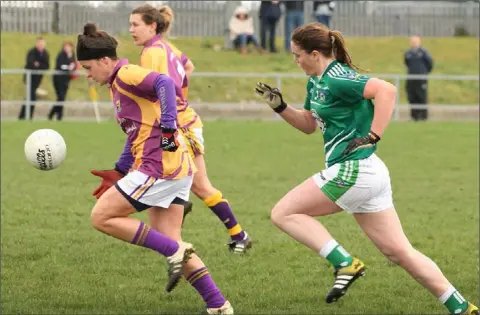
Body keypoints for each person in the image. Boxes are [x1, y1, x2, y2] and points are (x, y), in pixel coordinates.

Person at [254, 22, 478, 315]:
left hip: (354, 169)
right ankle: (461, 307)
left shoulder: (337, 78)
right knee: (399, 252)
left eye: (298, 55)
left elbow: (386, 90)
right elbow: (309, 125)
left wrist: (374, 134)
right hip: (367, 173)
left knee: (284, 212)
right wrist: (281, 107)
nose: (295, 60)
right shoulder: (316, 81)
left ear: (315, 53)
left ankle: (345, 263)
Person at [77, 22, 233, 314]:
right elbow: (136, 131)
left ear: (104, 61)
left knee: (101, 216)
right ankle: (218, 305)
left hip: (160, 166)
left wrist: (169, 128)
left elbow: (165, 83)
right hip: (173, 166)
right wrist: (119, 170)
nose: (87, 75)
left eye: (88, 67)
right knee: (172, 239)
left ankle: (173, 251)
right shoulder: (116, 84)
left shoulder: (125, 74)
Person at [89, 4, 252, 254]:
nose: (131, 30)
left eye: (136, 25)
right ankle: (199, 233)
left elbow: (159, 87)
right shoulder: (168, 46)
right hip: (185, 121)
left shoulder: (151, 52)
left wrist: (169, 115)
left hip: (179, 125)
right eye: (130, 24)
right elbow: (188, 67)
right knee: (187, 181)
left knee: (190, 182)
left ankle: (231, 235)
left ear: (152, 25)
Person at [19, 36, 50, 120]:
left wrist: (38, 64)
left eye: (42, 43)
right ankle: (28, 116)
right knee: (31, 97)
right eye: (39, 43)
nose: (41, 45)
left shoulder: (45, 53)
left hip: (37, 79)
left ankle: (22, 116)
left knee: (29, 97)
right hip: (29, 78)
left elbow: (46, 66)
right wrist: (38, 65)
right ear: (36, 43)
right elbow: (30, 63)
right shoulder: (31, 52)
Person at [404, 34, 433, 121]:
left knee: (421, 97)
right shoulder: (408, 53)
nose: (414, 42)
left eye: (415, 41)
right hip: (411, 79)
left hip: (421, 79)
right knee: (412, 97)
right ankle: (414, 117)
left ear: (419, 41)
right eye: (412, 41)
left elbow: (430, 64)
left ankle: (423, 117)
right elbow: (407, 63)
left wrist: (423, 73)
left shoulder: (424, 53)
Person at [48, 40, 76, 121]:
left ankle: (56, 115)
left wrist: (72, 67)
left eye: (69, 47)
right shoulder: (61, 55)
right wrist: (68, 67)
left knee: (62, 98)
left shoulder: (72, 55)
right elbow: (60, 65)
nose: (67, 48)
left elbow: (74, 65)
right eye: (66, 47)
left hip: (66, 79)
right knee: (60, 97)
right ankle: (54, 114)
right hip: (58, 79)